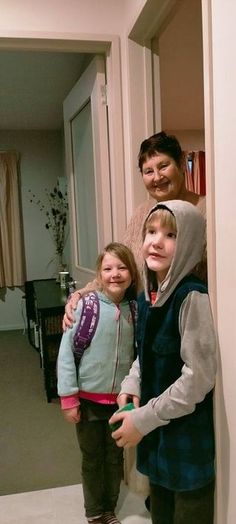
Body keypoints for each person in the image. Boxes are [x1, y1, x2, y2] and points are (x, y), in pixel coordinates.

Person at [109, 200, 217, 524]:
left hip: (186, 445)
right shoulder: (147, 296)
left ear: (189, 244)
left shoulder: (192, 297)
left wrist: (143, 419)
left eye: (170, 235)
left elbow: (197, 378)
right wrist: (131, 385)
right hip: (157, 442)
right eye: (151, 231)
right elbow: (145, 354)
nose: (156, 240)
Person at [63, 131, 206, 329]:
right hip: (146, 325)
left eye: (164, 166)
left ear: (181, 163)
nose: (157, 177)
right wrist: (82, 293)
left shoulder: (206, 211)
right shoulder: (142, 214)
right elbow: (122, 263)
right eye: (148, 171)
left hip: (191, 325)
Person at [57, 242, 140, 524]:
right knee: (92, 459)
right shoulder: (86, 307)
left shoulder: (135, 310)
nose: (115, 274)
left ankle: (109, 509)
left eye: (122, 267)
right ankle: (94, 513)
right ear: (98, 274)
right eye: (107, 268)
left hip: (119, 402)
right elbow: (66, 354)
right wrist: (69, 398)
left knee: (115, 459)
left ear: (132, 273)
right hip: (88, 401)